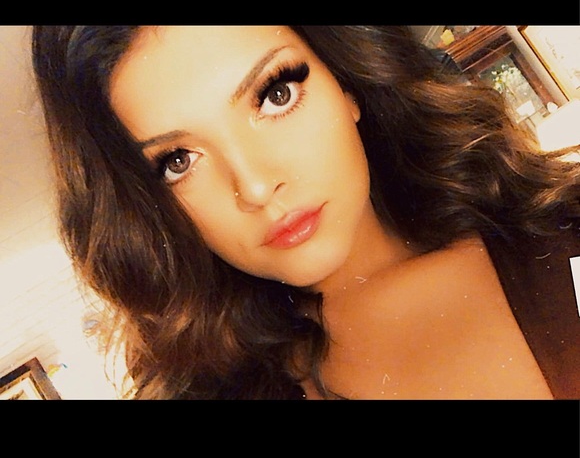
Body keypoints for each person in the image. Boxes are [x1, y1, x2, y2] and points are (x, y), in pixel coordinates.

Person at [31, 25, 580, 400]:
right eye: (178, 161)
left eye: (275, 95)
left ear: (346, 82)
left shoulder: (562, 231)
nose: (255, 186)